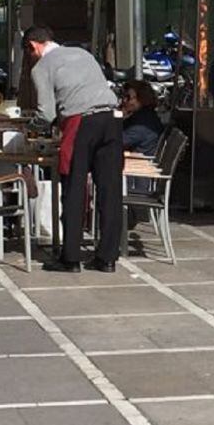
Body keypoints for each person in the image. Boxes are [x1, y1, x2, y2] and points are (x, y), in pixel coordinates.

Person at [25, 25, 122, 274]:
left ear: (34, 46)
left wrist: (31, 126)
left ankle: (71, 257)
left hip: (81, 123)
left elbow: (45, 113)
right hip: (111, 119)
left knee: (74, 188)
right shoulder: (83, 54)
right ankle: (108, 257)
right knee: (110, 190)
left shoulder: (41, 67)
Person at [121, 80, 164, 155]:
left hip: (139, 160)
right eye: (124, 96)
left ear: (141, 99)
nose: (124, 100)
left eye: (128, 97)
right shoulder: (144, 116)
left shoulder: (142, 123)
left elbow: (117, 142)